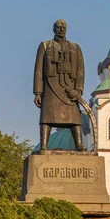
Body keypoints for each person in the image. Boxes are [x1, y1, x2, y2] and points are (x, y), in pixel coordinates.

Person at [33, 19, 86, 152]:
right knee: (47, 116)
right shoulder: (45, 46)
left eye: (63, 27)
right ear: (54, 29)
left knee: (75, 117)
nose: (61, 29)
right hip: (51, 86)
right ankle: (44, 145)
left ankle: (79, 145)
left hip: (70, 88)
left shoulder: (75, 48)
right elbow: (38, 70)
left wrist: (78, 90)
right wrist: (38, 93)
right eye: (58, 27)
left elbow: (80, 71)